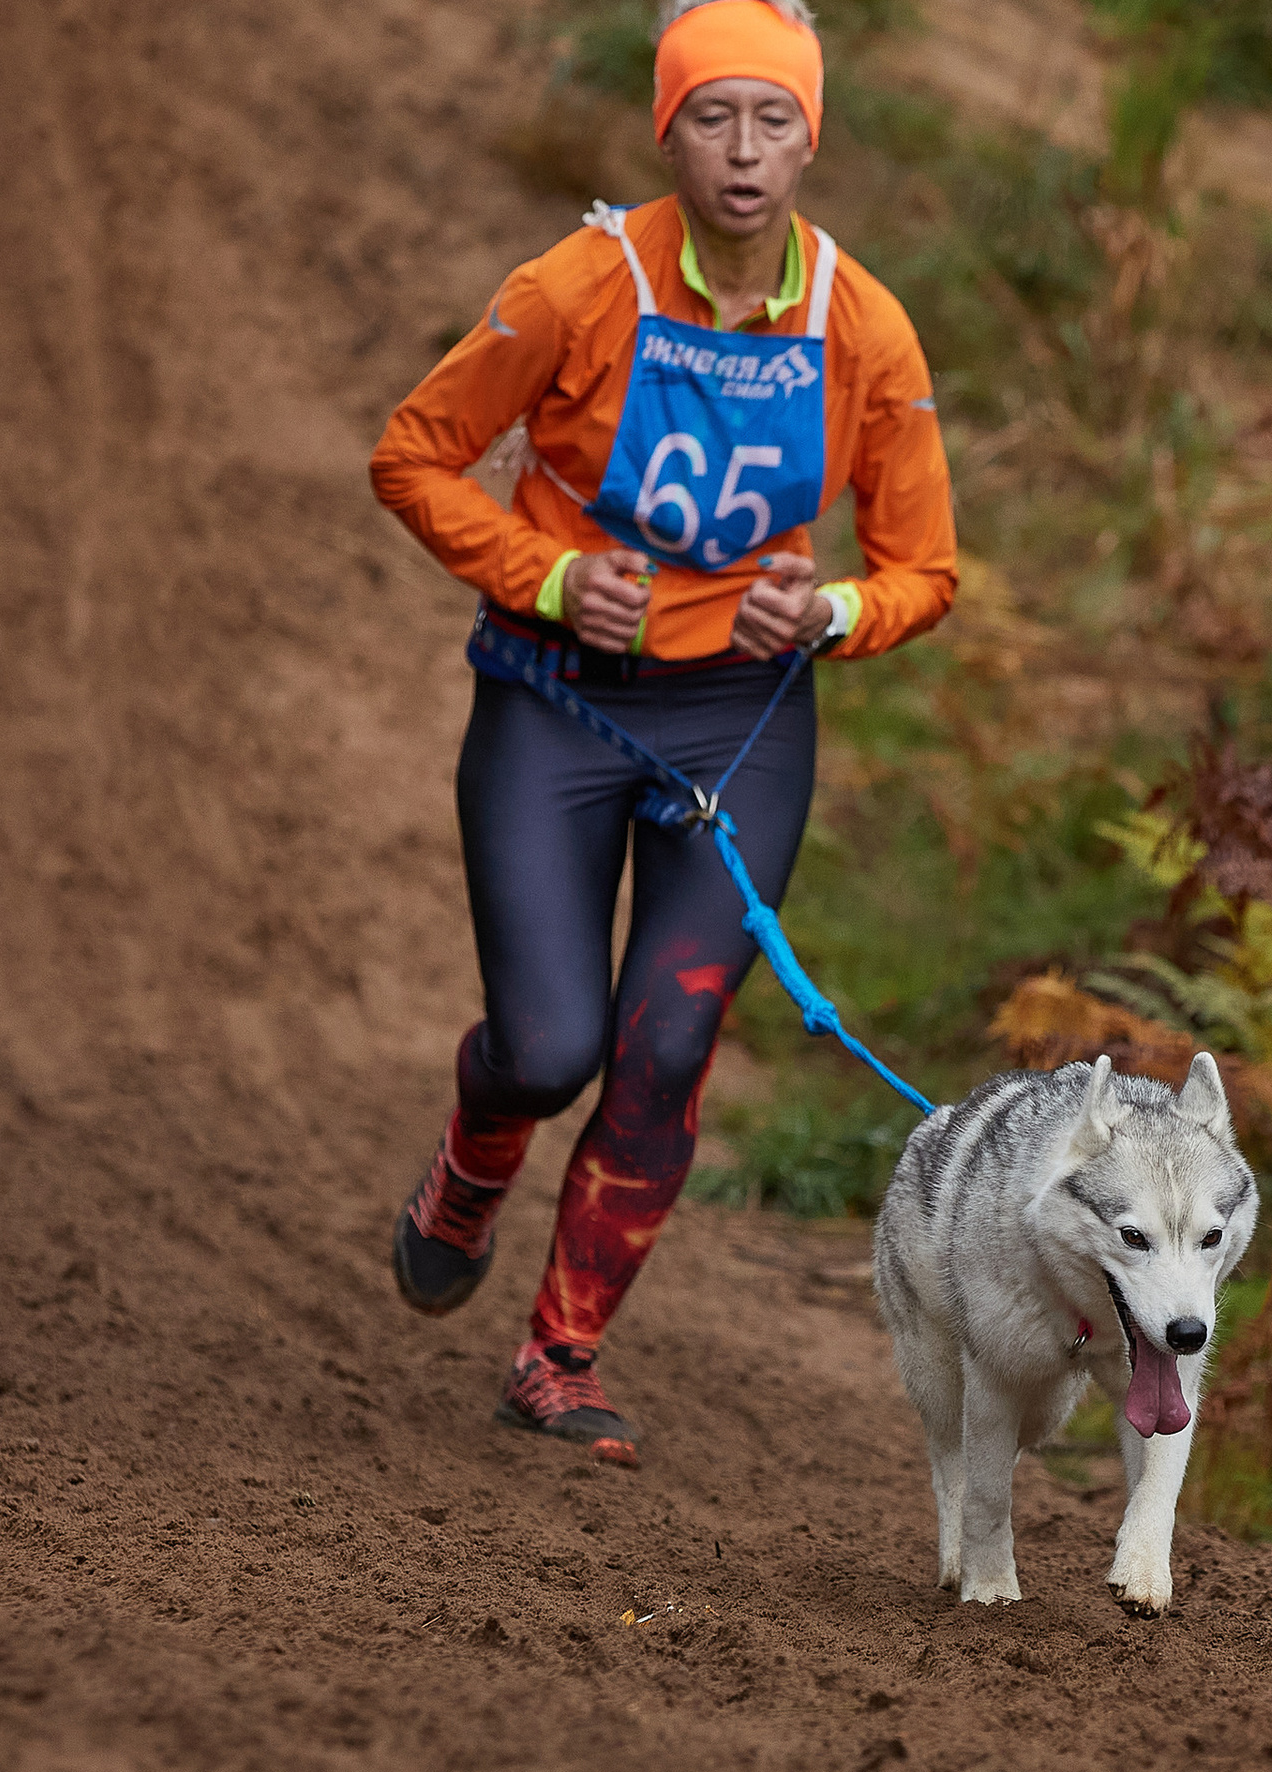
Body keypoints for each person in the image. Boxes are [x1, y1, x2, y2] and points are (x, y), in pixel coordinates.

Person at [369, 0, 955, 1466]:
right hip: (553, 701)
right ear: (668, 132)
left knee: (667, 1044)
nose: (746, 152)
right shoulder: (581, 286)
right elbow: (414, 454)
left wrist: (826, 616)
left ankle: (560, 1356)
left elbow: (924, 572)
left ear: (813, 135)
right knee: (553, 1043)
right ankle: (473, 1155)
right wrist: (552, 576)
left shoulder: (862, 325)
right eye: (715, 117)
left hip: (737, 721)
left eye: (776, 120)